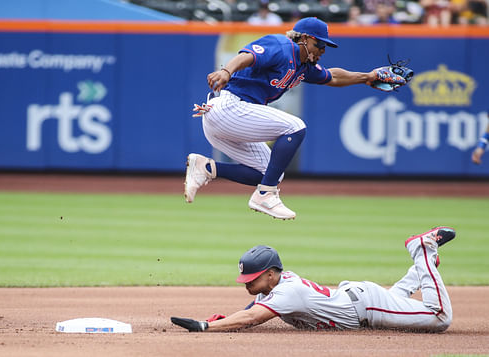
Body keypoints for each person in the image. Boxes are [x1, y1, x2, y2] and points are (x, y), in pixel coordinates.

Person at [184, 17, 385, 220]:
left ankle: (207, 168)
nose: (323, 51)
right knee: (295, 126)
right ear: (305, 39)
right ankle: (265, 194)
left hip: (230, 120)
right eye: (320, 44)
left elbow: (332, 77)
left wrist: (367, 77)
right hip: (228, 107)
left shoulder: (304, 66)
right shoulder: (282, 45)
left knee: (271, 173)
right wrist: (227, 71)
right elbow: (247, 56)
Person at [171, 226, 456, 332]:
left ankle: (421, 251)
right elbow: (248, 312)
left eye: (253, 278)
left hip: (368, 306)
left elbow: (251, 319)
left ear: (271, 275)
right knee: (401, 299)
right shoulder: (272, 288)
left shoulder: (288, 291)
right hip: (359, 298)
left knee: (439, 317)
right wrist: (225, 321)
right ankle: (425, 266)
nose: (246, 283)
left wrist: (206, 326)